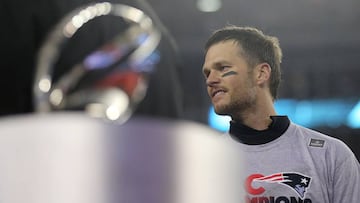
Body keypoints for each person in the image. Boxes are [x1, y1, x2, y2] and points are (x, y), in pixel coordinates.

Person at [202, 25, 360, 202]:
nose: (211, 80)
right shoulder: (200, 166)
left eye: (222, 68)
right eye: (207, 73)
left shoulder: (331, 156)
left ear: (261, 73)